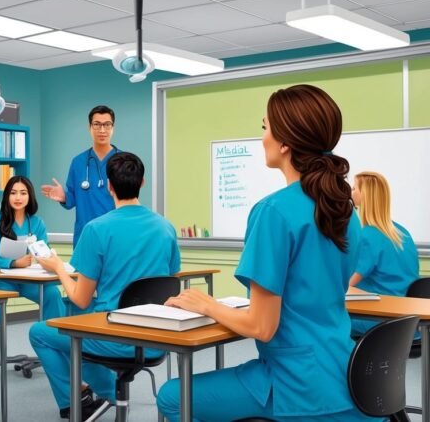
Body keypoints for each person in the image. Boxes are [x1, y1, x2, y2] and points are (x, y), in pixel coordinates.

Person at [157, 85, 376, 421]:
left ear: (285, 142)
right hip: (348, 376)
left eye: (265, 127)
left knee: (172, 396)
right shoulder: (345, 211)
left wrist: (207, 304)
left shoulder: (273, 211)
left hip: (296, 384)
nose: (263, 138)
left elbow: (262, 326)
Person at [30, 151, 181, 420]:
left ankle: (78, 400)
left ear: (109, 186)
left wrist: (56, 269)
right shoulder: (166, 228)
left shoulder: (96, 229)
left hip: (114, 337)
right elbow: (171, 281)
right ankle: (106, 392)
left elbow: (81, 299)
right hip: (159, 339)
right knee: (74, 330)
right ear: (142, 183)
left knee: (42, 332)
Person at [0, 175, 64, 319]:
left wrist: (49, 259)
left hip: (30, 281)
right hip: (4, 282)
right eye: (13, 193)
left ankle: (53, 337)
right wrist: (14, 263)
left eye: (23, 193)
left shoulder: (37, 223)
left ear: (29, 196)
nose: (18, 198)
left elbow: (45, 252)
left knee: (53, 294)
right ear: (7, 196)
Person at [349, 171, 419, 335]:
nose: (350, 193)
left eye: (354, 188)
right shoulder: (402, 233)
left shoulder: (367, 235)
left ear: (365, 195)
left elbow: (346, 284)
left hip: (377, 321)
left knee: (323, 319)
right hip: (409, 322)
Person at [41, 105, 119, 246]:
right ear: (89, 127)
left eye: (107, 125)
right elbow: (71, 200)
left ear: (113, 128)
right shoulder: (78, 162)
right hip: (85, 236)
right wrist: (64, 197)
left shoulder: (123, 161)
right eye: (97, 125)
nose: (102, 130)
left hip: (114, 235)